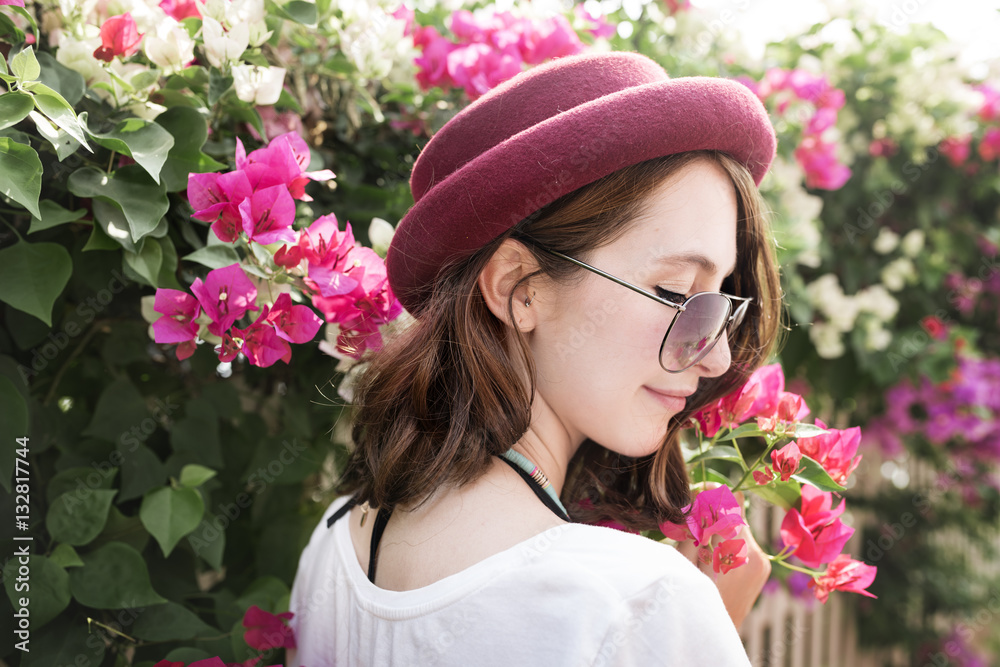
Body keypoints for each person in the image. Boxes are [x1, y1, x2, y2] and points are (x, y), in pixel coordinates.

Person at [286, 50, 782, 666]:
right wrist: (702, 631)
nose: (717, 358)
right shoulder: (636, 601)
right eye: (677, 294)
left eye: (720, 305)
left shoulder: (329, 550)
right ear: (519, 289)